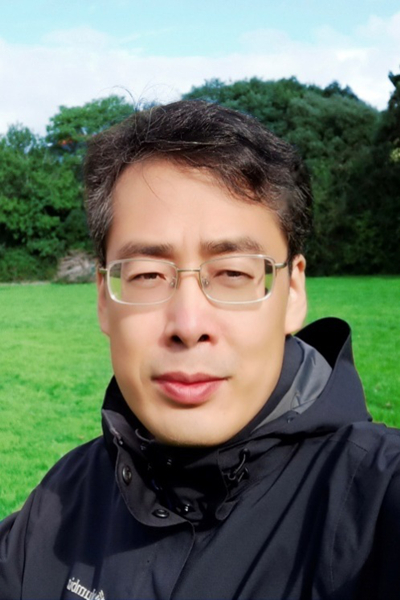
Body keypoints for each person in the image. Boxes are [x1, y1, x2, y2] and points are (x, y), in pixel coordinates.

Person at [1, 100, 399, 600]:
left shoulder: (376, 502)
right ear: (103, 300)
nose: (188, 326)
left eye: (233, 273)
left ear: (293, 293)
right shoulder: (61, 503)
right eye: (148, 275)